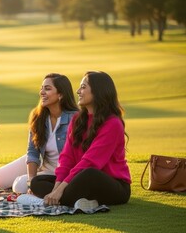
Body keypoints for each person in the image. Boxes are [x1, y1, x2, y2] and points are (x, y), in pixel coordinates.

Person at [31, 71, 131, 208]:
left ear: (97, 91)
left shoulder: (112, 123)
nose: (78, 91)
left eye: (83, 87)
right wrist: (56, 187)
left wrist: (59, 191)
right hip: (79, 179)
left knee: (89, 173)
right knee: (37, 182)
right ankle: (76, 200)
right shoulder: (77, 119)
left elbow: (90, 162)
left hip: (113, 184)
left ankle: (64, 198)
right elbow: (67, 158)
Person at [0, 73, 78, 193]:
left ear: (61, 94)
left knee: (19, 185)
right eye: (41, 88)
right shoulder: (38, 117)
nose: (42, 92)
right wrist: (31, 181)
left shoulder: (75, 118)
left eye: (47, 89)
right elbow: (32, 152)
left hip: (62, 173)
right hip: (43, 165)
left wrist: (31, 184)